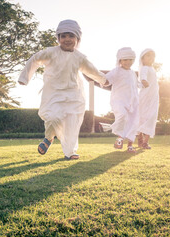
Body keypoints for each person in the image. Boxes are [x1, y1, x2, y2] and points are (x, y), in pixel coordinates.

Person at [18, 19, 108, 160]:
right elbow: (34, 59)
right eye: (63, 36)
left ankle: (70, 152)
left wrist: (103, 79)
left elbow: (92, 70)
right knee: (53, 117)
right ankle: (49, 137)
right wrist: (24, 78)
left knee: (72, 124)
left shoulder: (80, 57)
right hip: (53, 94)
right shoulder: (50, 52)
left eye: (71, 36)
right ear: (58, 38)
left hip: (74, 95)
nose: (67, 39)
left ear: (77, 39)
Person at [105, 47, 139, 153]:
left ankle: (129, 146)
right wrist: (102, 80)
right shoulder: (116, 71)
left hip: (133, 101)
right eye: (125, 60)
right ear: (120, 60)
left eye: (130, 60)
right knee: (122, 116)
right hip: (119, 100)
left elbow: (136, 84)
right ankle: (119, 138)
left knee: (133, 123)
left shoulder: (133, 73)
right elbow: (106, 80)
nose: (128, 62)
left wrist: (145, 84)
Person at [137, 49, 159, 149]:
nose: (151, 58)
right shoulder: (145, 68)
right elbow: (143, 76)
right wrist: (144, 80)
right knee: (142, 117)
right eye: (148, 56)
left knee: (152, 117)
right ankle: (140, 139)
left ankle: (146, 142)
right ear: (142, 59)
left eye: (153, 56)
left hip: (154, 97)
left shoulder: (153, 69)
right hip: (145, 97)